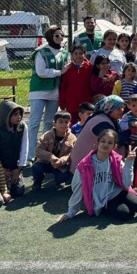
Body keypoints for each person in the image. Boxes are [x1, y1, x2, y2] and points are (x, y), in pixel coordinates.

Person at [58, 129, 137, 222]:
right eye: (103, 141)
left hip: (118, 191)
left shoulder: (116, 161)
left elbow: (126, 184)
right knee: (126, 214)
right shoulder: (84, 165)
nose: (106, 145)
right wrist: (71, 211)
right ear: (97, 143)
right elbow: (77, 188)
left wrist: (129, 163)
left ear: (114, 146)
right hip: (103, 201)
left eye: (110, 143)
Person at [28, 25, 70, 162]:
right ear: (50, 37)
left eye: (61, 35)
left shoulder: (65, 53)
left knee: (49, 122)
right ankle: (30, 153)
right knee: (34, 122)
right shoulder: (41, 52)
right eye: (56, 35)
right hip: (39, 91)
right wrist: (59, 72)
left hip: (55, 91)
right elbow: (41, 71)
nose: (60, 38)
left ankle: (44, 153)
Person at [69, 95, 126, 172]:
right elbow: (114, 141)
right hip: (82, 169)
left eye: (122, 107)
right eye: (118, 108)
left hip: (85, 165)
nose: (121, 110)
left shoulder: (102, 117)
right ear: (109, 108)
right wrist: (131, 131)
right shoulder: (102, 122)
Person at [0, 101, 28, 198]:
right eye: (14, 114)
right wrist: (0, 169)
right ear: (6, 115)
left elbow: (24, 147)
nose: (18, 117)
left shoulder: (22, 127)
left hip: (14, 167)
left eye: (19, 114)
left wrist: (19, 169)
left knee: (18, 191)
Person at [32, 111, 76, 191]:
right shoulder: (46, 135)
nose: (63, 124)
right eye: (60, 122)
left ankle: (59, 181)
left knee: (64, 176)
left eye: (66, 122)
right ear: (54, 124)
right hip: (45, 162)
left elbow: (72, 153)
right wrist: (50, 157)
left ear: (69, 124)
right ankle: (37, 182)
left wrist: (62, 160)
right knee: (36, 168)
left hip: (61, 164)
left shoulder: (72, 138)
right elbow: (38, 150)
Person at [59, 45, 93, 125]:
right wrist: (62, 103)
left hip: (86, 102)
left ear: (84, 54)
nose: (78, 56)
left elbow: (93, 85)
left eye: (81, 53)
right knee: (71, 125)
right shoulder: (68, 68)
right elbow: (63, 86)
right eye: (75, 53)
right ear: (72, 55)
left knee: (87, 124)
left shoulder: (90, 68)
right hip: (71, 102)